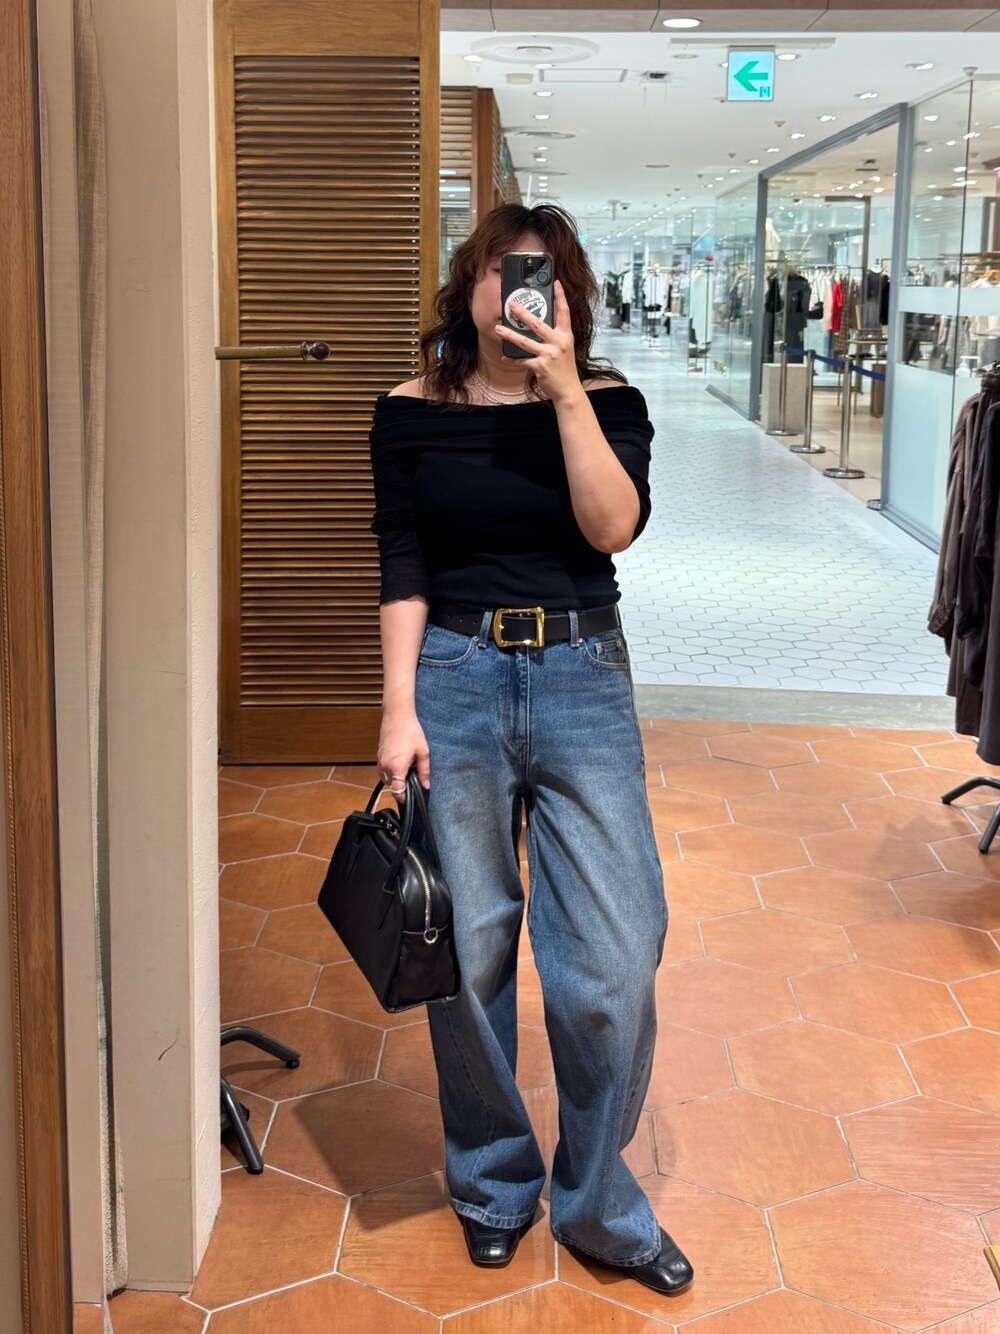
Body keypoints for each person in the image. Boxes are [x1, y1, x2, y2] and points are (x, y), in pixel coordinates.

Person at [367, 202, 693, 1297]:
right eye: (501, 271)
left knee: (614, 957)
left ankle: (597, 1201)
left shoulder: (609, 400)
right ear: (469, 285)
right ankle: (494, 1184)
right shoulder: (406, 412)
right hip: (452, 677)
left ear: (569, 296)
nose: (517, 291)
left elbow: (611, 529)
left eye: (542, 277)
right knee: (467, 952)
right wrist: (397, 707)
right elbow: (402, 560)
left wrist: (563, 393)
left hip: (579, 675)